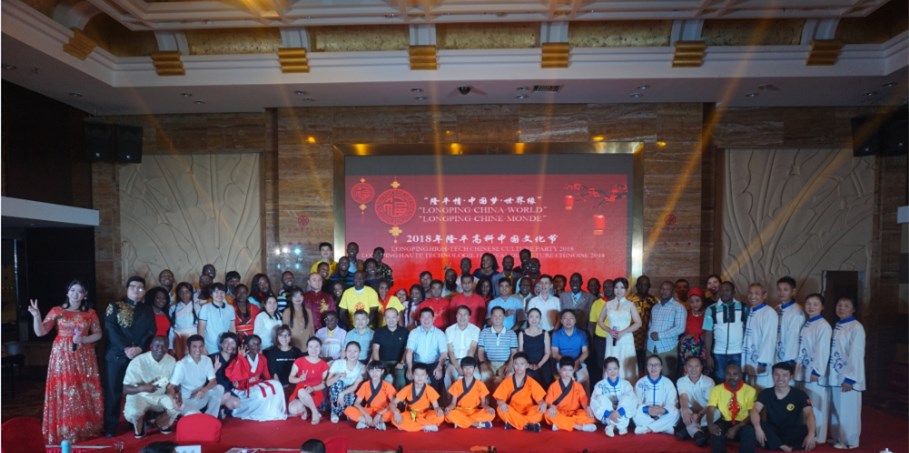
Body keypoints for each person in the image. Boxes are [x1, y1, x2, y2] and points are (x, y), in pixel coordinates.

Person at [27, 280, 103, 443]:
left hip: (84, 354)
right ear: (67, 292)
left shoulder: (90, 313)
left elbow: (98, 334)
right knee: (65, 387)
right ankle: (64, 429)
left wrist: (83, 339)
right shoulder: (57, 311)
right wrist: (36, 316)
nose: (76, 294)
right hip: (62, 355)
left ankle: (84, 427)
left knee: (82, 388)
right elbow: (40, 332)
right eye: (73, 290)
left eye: (80, 291)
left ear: (85, 295)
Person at [104, 276, 156, 437]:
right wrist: (125, 348)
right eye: (133, 286)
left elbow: (151, 330)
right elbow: (110, 329)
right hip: (116, 355)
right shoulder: (115, 306)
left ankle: (135, 422)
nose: (136, 290)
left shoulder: (147, 309)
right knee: (114, 391)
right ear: (127, 288)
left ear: (144, 291)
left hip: (138, 356)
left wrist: (139, 347)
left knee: (137, 390)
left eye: (140, 287)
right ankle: (110, 427)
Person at [743, 362, 816, 452]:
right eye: (776, 375)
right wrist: (758, 428)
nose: (780, 378)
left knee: (809, 430)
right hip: (772, 431)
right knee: (754, 424)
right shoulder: (766, 393)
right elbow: (755, 410)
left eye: (784, 375)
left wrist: (811, 434)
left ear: (790, 377)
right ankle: (782, 446)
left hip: (791, 432)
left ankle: (776, 444)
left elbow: (809, 414)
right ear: (772, 376)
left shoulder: (800, 394)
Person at [826, 296, 865, 450]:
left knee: (848, 410)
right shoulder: (838, 325)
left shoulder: (856, 327)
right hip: (836, 374)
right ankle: (837, 436)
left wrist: (850, 378)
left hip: (848, 376)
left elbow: (856, 354)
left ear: (853, 309)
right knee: (837, 407)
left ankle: (850, 441)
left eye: (846, 305)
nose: (842, 308)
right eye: (839, 305)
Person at [122, 336, 179, 438]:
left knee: (179, 405)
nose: (160, 349)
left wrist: (174, 398)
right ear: (151, 347)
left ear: (167, 348)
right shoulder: (138, 361)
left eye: (163, 346)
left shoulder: (171, 360)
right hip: (140, 395)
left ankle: (161, 423)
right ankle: (139, 429)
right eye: (157, 346)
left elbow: (171, 385)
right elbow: (125, 389)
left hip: (160, 395)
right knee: (133, 413)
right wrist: (143, 388)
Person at [795, 293, 832, 444]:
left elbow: (822, 350)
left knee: (816, 403)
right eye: (809, 303)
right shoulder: (808, 323)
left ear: (822, 307)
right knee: (806, 403)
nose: (811, 307)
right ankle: (807, 432)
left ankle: (818, 436)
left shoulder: (823, 325)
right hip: (804, 369)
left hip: (814, 372)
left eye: (815, 304)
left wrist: (817, 370)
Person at [225, 334, 287, 421]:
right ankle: (261, 412)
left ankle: (274, 410)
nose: (256, 347)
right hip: (244, 388)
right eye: (253, 344)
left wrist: (271, 385)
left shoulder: (262, 358)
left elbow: (266, 376)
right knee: (260, 394)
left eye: (258, 344)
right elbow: (233, 376)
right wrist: (240, 358)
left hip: (257, 384)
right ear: (247, 345)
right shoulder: (241, 358)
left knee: (277, 385)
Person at [168, 335, 225, 418]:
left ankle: (211, 418)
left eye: (201, 346)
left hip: (200, 396)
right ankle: (198, 416)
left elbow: (213, 381)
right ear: (188, 347)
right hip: (186, 401)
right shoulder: (181, 365)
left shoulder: (207, 360)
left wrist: (204, 390)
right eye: (194, 346)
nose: (198, 349)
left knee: (219, 388)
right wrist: (174, 400)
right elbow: (171, 387)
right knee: (197, 417)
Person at [705, 363, 757, 453]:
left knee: (749, 431)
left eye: (735, 374)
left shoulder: (750, 391)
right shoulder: (716, 389)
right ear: (724, 375)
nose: (731, 377)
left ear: (741, 375)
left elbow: (751, 414)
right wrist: (710, 424)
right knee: (716, 430)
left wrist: (736, 427)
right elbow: (710, 408)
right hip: (725, 421)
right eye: (728, 374)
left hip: (743, 422)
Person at [599, 277, 642, 382]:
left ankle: (628, 387)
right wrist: (609, 330)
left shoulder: (630, 304)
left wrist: (622, 332)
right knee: (611, 360)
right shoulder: (608, 304)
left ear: (626, 289)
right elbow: (600, 321)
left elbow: (638, 323)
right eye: (616, 287)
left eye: (622, 288)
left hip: (625, 338)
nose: (619, 290)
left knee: (625, 362)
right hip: (612, 337)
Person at [703, 281, 747, 381]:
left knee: (738, 381)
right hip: (719, 353)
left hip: (738, 352)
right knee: (720, 380)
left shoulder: (743, 307)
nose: (724, 293)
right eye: (721, 290)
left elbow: (747, 330)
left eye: (727, 290)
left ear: (734, 292)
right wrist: (708, 355)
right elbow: (708, 333)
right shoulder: (711, 309)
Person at [492, 352, 547, 431]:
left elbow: (540, 400)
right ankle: (527, 425)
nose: (519, 367)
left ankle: (514, 423)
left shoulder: (531, 382)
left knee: (540, 410)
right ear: (513, 365)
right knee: (500, 409)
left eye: (522, 364)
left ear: (527, 365)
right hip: (512, 410)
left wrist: (543, 404)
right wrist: (501, 403)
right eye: (516, 364)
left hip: (527, 412)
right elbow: (499, 398)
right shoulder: (507, 381)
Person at [544, 357, 597, 432]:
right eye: (564, 370)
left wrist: (588, 408)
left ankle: (561, 424)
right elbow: (549, 402)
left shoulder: (578, 386)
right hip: (559, 412)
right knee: (547, 414)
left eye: (570, 370)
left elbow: (584, 401)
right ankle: (578, 426)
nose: (567, 373)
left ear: (573, 370)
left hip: (574, 413)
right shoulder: (553, 386)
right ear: (559, 370)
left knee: (591, 416)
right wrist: (551, 406)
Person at [647, 280, 687, 379]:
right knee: (651, 377)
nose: (664, 291)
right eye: (662, 288)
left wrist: (660, 335)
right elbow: (650, 325)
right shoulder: (655, 307)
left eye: (667, 289)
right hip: (651, 347)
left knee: (667, 377)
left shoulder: (678, 307)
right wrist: (649, 336)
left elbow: (680, 328)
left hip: (668, 348)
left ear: (672, 291)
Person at [742, 283, 778, 390]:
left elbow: (769, 339)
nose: (753, 296)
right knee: (751, 389)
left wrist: (763, 362)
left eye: (757, 293)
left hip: (760, 361)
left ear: (764, 295)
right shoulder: (751, 310)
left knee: (762, 389)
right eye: (750, 293)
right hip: (749, 360)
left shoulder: (769, 313)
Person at [589, 356, 637, 437]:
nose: (613, 372)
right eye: (610, 369)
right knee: (600, 398)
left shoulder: (625, 384)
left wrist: (619, 412)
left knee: (627, 397)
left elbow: (632, 400)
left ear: (619, 369)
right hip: (607, 416)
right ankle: (619, 426)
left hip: (621, 414)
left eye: (615, 368)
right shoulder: (600, 385)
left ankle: (611, 426)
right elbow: (594, 402)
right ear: (605, 370)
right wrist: (609, 414)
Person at [633, 355, 680, 435]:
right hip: (646, 414)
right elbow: (636, 402)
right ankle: (663, 428)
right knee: (634, 412)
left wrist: (662, 410)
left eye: (656, 365)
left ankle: (647, 428)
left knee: (676, 412)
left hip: (662, 414)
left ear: (661, 367)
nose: (653, 367)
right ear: (647, 367)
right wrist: (647, 409)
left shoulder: (668, 382)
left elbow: (672, 403)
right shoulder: (640, 382)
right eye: (650, 365)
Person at [390, 364, 444, 432]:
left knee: (440, 416)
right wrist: (396, 413)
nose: (420, 377)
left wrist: (439, 410)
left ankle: (412, 426)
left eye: (422, 375)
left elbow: (436, 407)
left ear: (426, 376)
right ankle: (424, 426)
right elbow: (393, 402)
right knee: (393, 418)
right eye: (417, 374)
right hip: (410, 414)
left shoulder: (429, 389)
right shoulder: (407, 388)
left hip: (425, 415)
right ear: (413, 376)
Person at [445, 356, 496, 429]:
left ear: (474, 369)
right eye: (465, 368)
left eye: (470, 368)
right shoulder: (456, 384)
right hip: (460, 411)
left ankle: (462, 422)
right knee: (449, 414)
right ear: (462, 369)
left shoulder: (480, 384)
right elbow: (453, 403)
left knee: (491, 414)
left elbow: (483, 403)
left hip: (474, 411)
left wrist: (488, 408)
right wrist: (448, 408)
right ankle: (476, 424)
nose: (468, 370)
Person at [405, 307, 447, 394]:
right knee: (411, 378)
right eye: (423, 317)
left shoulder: (440, 333)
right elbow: (409, 351)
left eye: (429, 317)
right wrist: (409, 368)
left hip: (434, 364)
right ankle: (414, 400)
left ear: (433, 318)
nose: (426, 320)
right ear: (419, 319)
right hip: (418, 363)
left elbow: (444, 353)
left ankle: (434, 401)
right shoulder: (414, 332)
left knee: (436, 378)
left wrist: (439, 368)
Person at [287, 337, 329, 423]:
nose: (313, 350)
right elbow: (290, 379)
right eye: (311, 347)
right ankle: (311, 411)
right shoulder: (299, 361)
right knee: (292, 409)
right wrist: (299, 379)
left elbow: (324, 384)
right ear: (307, 348)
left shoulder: (324, 365)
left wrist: (313, 388)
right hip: (300, 389)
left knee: (302, 392)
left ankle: (314, 413)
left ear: (320, 348)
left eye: (316, 346)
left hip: (315, 391)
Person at [675, 356, 715, 444]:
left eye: (697, 366)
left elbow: (711, 403)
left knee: (716, 412)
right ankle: (698, 433)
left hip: (705, 411)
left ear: (701, 367)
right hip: (691, 411)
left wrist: (699, 415)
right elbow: (683, 397)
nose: (693, 369)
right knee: (682, 410)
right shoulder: (681, 381)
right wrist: (685, 410)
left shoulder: (709, 381)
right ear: (685, 368)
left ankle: (689, 429)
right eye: (690, 366)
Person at [346, 361, 397, 430]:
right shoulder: (365, 385)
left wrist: (379, 414)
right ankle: (377, 423)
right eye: (372, 371)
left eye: (377, 371)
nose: (374, 373)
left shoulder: (387, 385)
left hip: (382, 411)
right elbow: (357, 403)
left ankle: (365, 422)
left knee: (394, 412)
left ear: (382, 372)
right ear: (368, 371)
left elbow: (393, 403)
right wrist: (366, 414)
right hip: (369, 411)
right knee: (348, 410)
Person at [478, 306, 519, 387]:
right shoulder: (484, 332)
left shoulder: (511, 333)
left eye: (500, 316)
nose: (497, 318)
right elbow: (480, 351)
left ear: (504, 317)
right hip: (489, 363)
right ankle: (487, 396)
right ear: (491, 318)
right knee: (484, 376)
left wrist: (510, 364)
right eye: (495, 316)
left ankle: (505, 396)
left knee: (510, 376)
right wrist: (483, 363)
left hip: (505, 363)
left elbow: (514, 352)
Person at [326, 341, 366, 423]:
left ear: (359, 352)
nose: (352, 354)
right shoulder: (338, 363)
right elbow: (328, 383)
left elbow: (355, 386)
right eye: (349, 351)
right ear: (345, 352)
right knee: (338, 383)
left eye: (355, 351)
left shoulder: (362, 367)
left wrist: (342, 393)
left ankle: (344, 412)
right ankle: (334, 412)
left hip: (350, 390)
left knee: (348, 402)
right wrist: (338, 376)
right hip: (336, 390)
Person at [550, 309, 589, 388]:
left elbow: (585, 352)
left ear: (575, 320)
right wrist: (568, 363)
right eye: (565, 318)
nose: (568, 321)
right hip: (562, 363)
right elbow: (554, 353)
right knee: (565, 384)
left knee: (584, 380)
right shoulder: (556, 334)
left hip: (578, 363)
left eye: (571, 318)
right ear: (561, 321)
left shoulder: (582, 334)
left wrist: (577, 362)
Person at [371, 307, 409, 389]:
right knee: (377, 378)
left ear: (398, 318)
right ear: (384, 318)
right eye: (388, 317)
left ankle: (399, 397)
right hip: (382, 361)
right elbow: (375, 349)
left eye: (393, 317)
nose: (391, 320)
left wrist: (402, 362)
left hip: (398, 362)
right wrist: (378, 365)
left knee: (401, 380)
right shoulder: (379, 331)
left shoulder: (405, 331)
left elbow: (407, 349)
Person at [445, 305, 481, 389]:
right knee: (448, 377)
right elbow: (450, 352)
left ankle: (472, 397)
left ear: (469, 317)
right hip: (454, 361)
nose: (462, 317)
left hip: (469, 360)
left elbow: (472, 349)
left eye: (465, 315)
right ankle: (450, 397)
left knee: (477, 376)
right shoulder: (449, 330)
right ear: (456, 316)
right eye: (460, 314)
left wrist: (466, 367)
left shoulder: (475, 330)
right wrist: (458, 368)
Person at [197, 283, 236, 355]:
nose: (219, 294)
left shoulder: (230, 308)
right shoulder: (205, 308)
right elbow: (201, 330)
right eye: (216, 292)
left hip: (226, 346)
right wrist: (202, 346)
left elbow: (232, 328)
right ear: (211, 294)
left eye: (222, 292)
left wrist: (234, 344)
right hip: (210, 346)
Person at [587, 278, 613, 385]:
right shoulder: (597, 303)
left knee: (612, 365)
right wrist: (592, 341)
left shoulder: (619, 303)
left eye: (610, 286)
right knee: (599, 366)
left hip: (614, 340)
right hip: (600, 340)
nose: (607, 289)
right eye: (605, 287)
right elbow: (591, 324)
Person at [775, 276, 805, 367]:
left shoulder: (796, 311)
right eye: (779, 289)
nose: (781, 293)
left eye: (785, 290)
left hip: (788, 358)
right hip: (776, 352)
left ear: (793, 291)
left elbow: (793, 339)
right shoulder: (777, 308)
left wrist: (789, 361)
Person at [210, 332, 241, 416]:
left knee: (236, 403)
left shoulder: (235, 359)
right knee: (226, 395)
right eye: (226, 342)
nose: (229, 345)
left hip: (227, 390)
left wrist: (235, 383)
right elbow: (204, 379)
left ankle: (221, 408)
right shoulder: (213, 358)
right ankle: (208, 408)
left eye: (232, 343)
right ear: (221, 344)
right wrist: (214, 370)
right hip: (214, 390)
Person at [519, 308, 552, 387]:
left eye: (537, 317)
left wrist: (538, 365)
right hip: (527, 363)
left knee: (545, 382)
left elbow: (547, 353)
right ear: (527, 318)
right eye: (531, 316)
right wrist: (527, 365)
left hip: (542, 363)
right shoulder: (522, 333)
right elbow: (520, 353)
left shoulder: (545, 333)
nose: (534, 319)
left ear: (540, 319)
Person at [679, 288, 708, 372]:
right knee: (688, 370)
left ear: (702, 300)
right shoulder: (686, 313)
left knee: (701, 370)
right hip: (687, 348)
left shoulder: (707, 313)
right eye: (692, 302)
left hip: (702, 347)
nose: (695, 304)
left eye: (697, 301)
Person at [168, 282, 199, 360]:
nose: (184, 294)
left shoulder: (197, 307)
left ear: (191, 293)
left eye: (187, 292)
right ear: (178, 294)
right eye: (181, 292)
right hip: (179, 339)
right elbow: (172, 328)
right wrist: (171, 346)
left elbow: (201, 327)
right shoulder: (173, 308)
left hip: (194, 338)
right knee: (180, 362)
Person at [283, 287, 315, 351]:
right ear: (291, 298)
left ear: (303, 297)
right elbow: (285, 330)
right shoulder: (287, 312)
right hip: (293, 344)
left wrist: (313, 342)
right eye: (295, 296)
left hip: (306, 344)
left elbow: (311, 328)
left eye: (300, 295)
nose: (298, 298)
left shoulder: (308, 311)